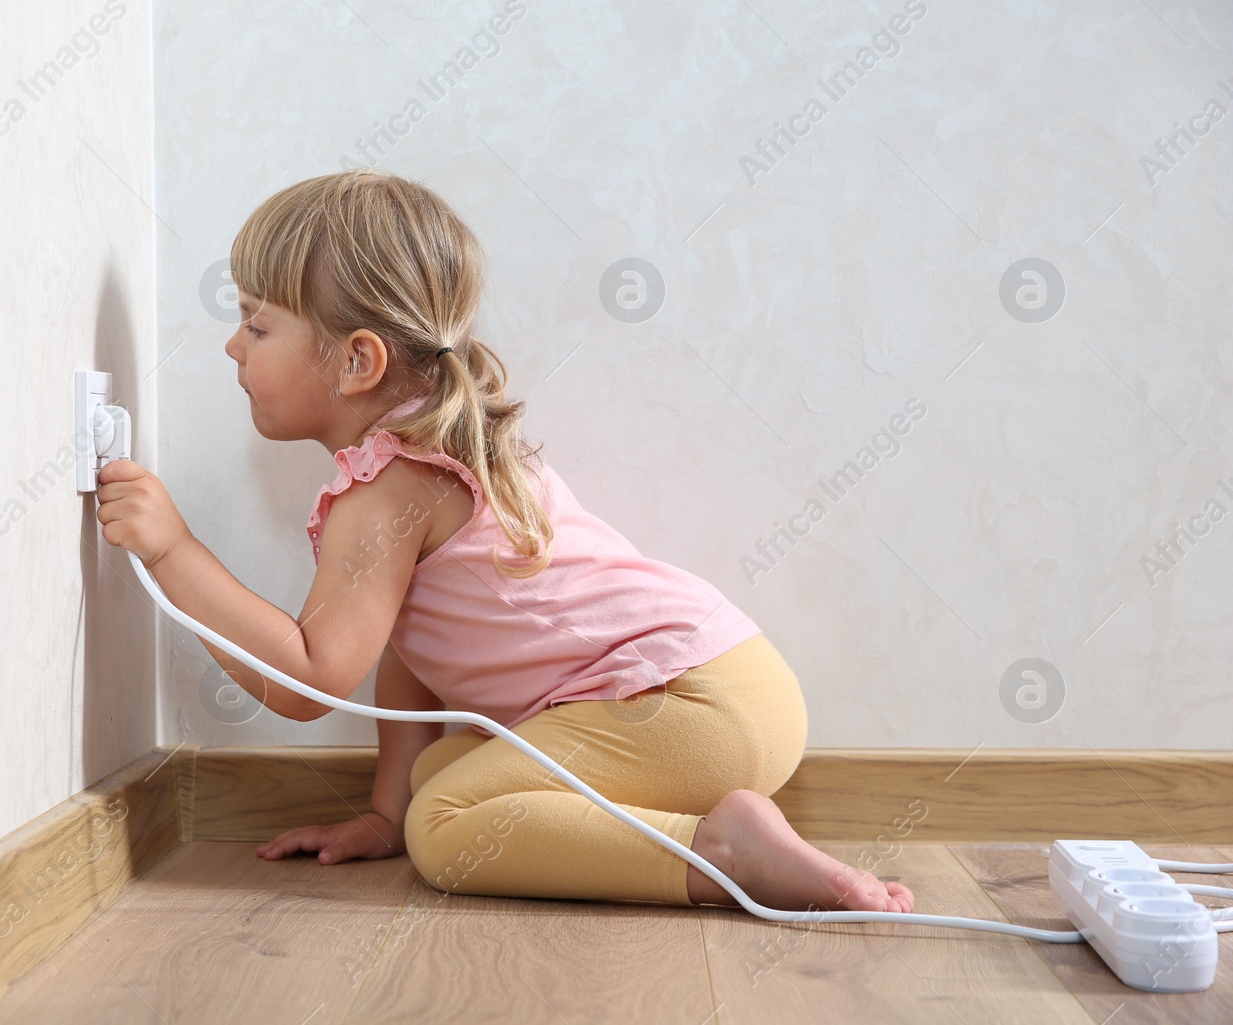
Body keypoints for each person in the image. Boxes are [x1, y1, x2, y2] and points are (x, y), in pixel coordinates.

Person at [96, 170, 914, 913]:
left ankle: (720, 852)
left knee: (446, 829)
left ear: (355, 361)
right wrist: (385, 810)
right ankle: (709, 827)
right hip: (731, 689)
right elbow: (412, 649)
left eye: (255, 324)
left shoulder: (387, 485)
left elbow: (311, 678)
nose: (234, 347)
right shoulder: (434, 453)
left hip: (688, 706)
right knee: (433, 782)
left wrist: (173, 550)